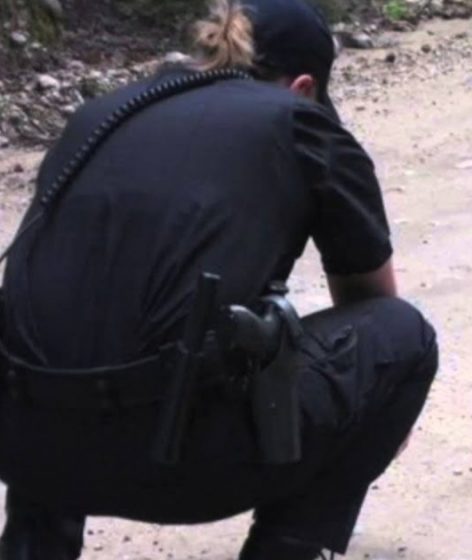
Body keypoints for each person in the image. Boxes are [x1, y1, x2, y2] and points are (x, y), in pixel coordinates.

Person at [0, 0, 439, 558]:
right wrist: (375, 418)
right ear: (304, 87)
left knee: (69, 328)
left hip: (29, 448)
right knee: (404, 338)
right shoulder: (300, 123)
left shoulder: (98, 116)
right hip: (182, 462)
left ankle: (33, 549)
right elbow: (371, 304)